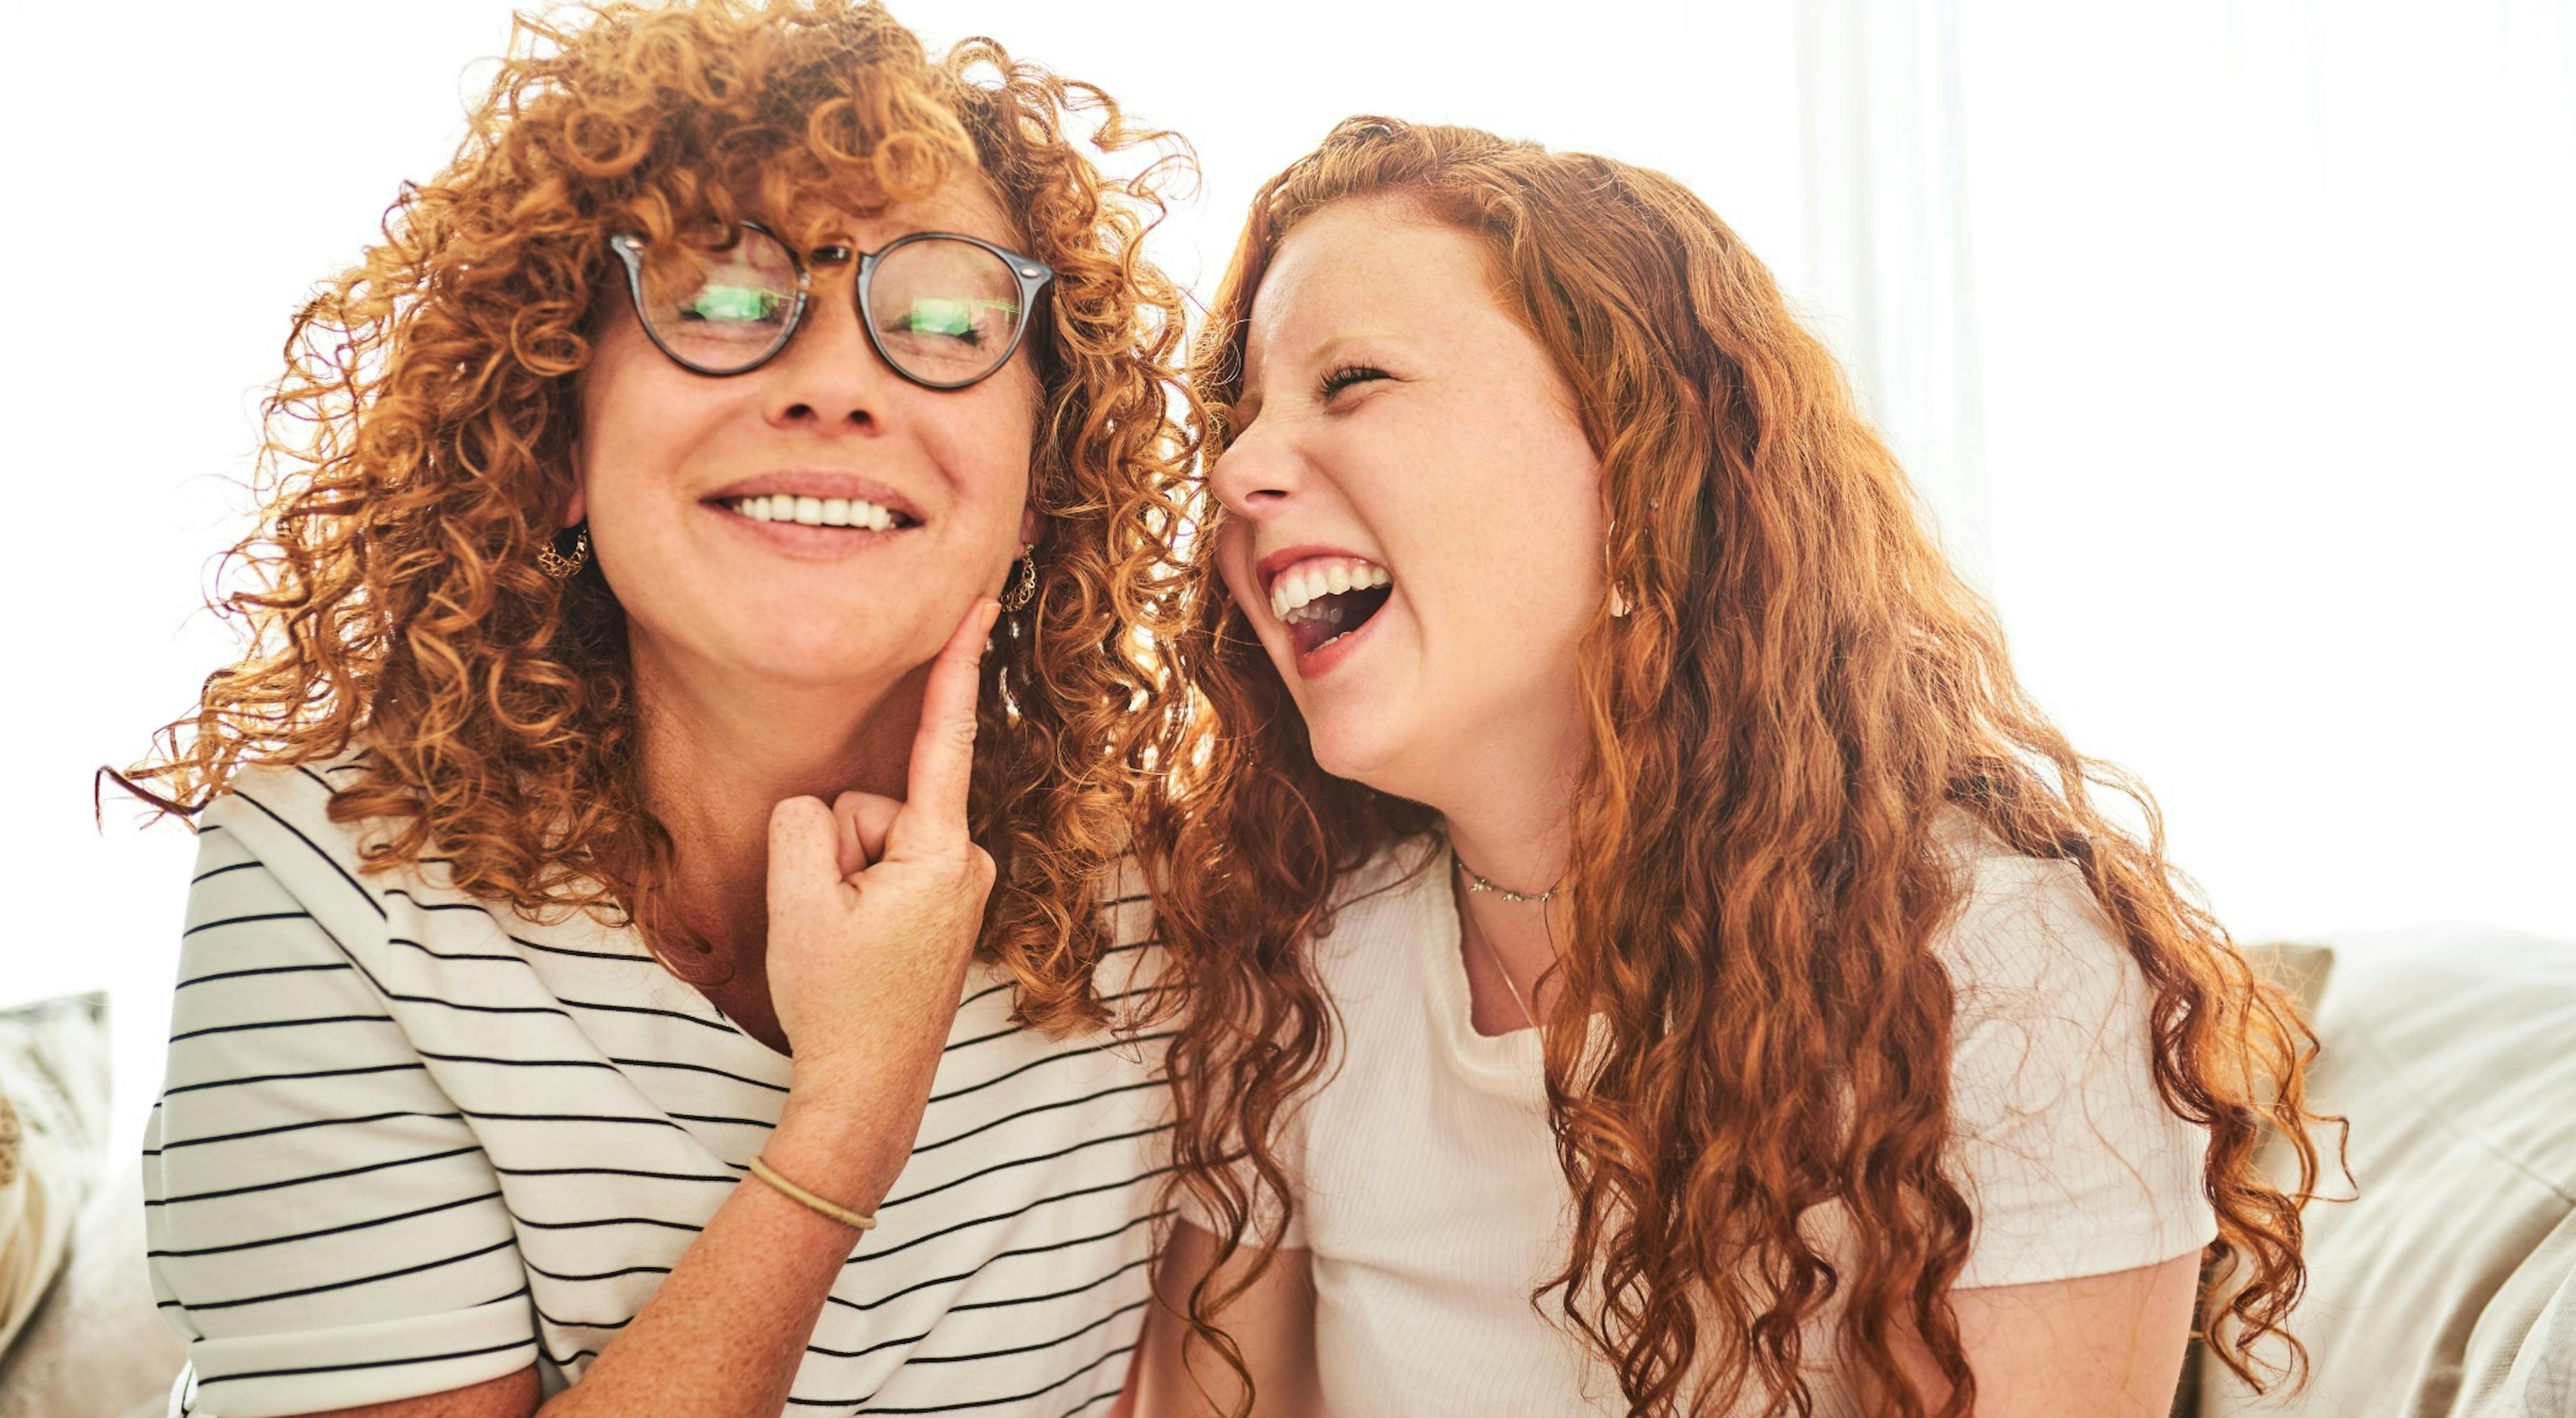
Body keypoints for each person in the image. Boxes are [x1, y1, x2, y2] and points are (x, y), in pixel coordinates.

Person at [1127, 118, 2325, 1417]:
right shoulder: (1299, 967)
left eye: (1352, 382)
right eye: (1238, 416)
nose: (1236, 472)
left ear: (1648, 472)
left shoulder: (1999, 970)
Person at [117, 4, 1191, 1413]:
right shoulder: (329, 885)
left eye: (944, 320)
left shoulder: (1171, 916)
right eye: (725, 299)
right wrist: (847, 1122)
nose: (832, 386)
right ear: (556, 438)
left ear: (1042, 484)